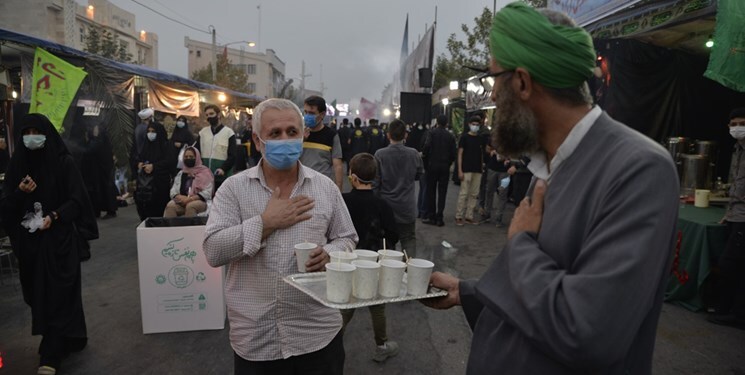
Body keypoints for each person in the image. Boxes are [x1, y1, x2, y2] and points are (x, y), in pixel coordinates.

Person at [424, 3, 679, 374]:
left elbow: (588, 331)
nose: (492, 95)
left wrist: (522, 244)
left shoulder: (639, 170)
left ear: (523, 82)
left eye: (494, 78)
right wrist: (468, 292)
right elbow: (545, 281)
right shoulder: (551, 163)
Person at [203, 98, 357, 375]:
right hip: (257, 341)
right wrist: (265, 223)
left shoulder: (325, 189)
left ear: (304, 135)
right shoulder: (233, 189)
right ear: (258, 140)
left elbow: (347, 238)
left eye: (291, 132)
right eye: (275, 133)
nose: (285, 139)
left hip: (318, 335)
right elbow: (213, 250)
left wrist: (330, 255)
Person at [0, 114, 98, 375]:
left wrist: (54, 216)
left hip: (59, 242)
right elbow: (6, 207)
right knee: (37, 295)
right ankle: (71, 337)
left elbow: (77, 200)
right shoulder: (17, 166)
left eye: (37, 130)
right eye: (26, 131)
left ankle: (50, 352)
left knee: (58, 294)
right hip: (29, 246)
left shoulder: (63, 162)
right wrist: (21, 193)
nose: (32, 136)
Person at [340, 153, 399, 362]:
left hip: (347, 261)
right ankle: (381, 346)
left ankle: (332, 345)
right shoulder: (382, 205)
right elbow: (393, 234)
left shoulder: (343, 201)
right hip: (374, 264)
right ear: (374, 177)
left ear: (353, 177)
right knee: (377, 306)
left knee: (346, 305)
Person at [709, 107, 745, 329]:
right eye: (733, 125)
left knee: (732, 265)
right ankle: (727, 308)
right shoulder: (737, 149)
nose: (737, 128)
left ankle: (737, 314)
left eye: (741, 123)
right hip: (736, 214)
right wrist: (729, 213)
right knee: (733, 264)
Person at [374, 119, 423, 256]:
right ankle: (410, 272)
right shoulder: (414, 154)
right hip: (407, 208)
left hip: (386, 208)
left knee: (387, 243)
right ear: (405, 135)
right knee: (408, 240)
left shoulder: (380, 154)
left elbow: (375, 182)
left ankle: (389, 273)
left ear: (388, 135)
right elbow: (419, 175)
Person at [299, 95, 344, 190]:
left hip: (323, 187)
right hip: (301, 185)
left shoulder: (331, 135)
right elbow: (289, 159)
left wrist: (339, 190)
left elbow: (337, 166)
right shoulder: (297, 133)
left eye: (311, 113)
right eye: (305, 112)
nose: (307, 116)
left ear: (322, 114)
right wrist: (300, 141)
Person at [421, 115, 456, 227]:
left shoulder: (432, 133)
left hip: (432, 166)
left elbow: (426, 147)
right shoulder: (450, 136)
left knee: (431, 192)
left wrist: (426, 161)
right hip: (444, 166)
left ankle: (432, 216)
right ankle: (440, 217)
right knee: (442, 192)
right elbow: (453, 154)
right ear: (446, 123)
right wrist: (448, 163)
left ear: (437, 122)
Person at [133, 121, 172, 221]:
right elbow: (139, 157)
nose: (150, 134)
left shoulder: (166, 146)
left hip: (160, 183)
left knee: (159, 208)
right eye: (149, 131)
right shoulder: (145, 145)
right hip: (145, 185)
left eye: (153, 131)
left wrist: (154, 166)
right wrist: (139, 163)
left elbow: (169, 162)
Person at [455, 116, 488, 226]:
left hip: (477, 170)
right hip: (466, 169)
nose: (475, 126)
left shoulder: (480, 139)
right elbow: (460, 154)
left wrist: (482, 167)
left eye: (477, 125)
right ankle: (459, 216)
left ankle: (469, 216)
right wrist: (459, 170)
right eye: (473, 124)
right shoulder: (464, 138)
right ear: (469, 124)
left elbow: (483, 154)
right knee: (464, 193)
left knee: (474, 194)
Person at [195, 104, 236, 192]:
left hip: (222, 175)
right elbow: (196, 151)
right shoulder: (203, 133)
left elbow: (233, 155)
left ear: (218, 115)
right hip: (205, 175)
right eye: (207, 115)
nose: (209, 117)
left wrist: (223, 169)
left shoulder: (229, 133)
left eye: (211, 114)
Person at [163, 146, 213, 217]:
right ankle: (171, 227)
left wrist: (190, 199)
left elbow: (208, 192)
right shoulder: (181, 173)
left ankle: (190, 228)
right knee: (170, 206)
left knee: (190, 206)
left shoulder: (205, 173)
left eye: (191, 156)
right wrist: (178, 196)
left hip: (200, 201)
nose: (188, 158)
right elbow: (173, 190)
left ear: (197, 157)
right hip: (182, 200)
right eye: (186, 157)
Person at [81, 124, 118, 219]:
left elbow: (91, 150)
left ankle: (110, 210)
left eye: (96, 129)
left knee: (106, 189)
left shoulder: (100, 141)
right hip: (100, 171)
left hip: (104, 171)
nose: (95, 131)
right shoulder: (99, 140)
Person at [480, 144, 515, 227]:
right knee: (489, 191)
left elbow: (514, 154)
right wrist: (492, 151)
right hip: (492, 168)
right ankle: (487, 214)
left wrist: (506, 157)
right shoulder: (494, 137)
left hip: (505, 171)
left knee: (502, 194)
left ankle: (498, 218)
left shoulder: (511, 139)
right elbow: (487, 148)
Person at [406, 122, 429, 218]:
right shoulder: (427, 133)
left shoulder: (412, 133)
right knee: (424, 188)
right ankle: (421, 211)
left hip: (411, 163)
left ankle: (419, 211)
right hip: (423, 163)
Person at [130, 108, 158, 177]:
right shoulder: (147, 129)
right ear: (150, 118)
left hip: (138, 159)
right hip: (145, 159)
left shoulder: (138, 128)